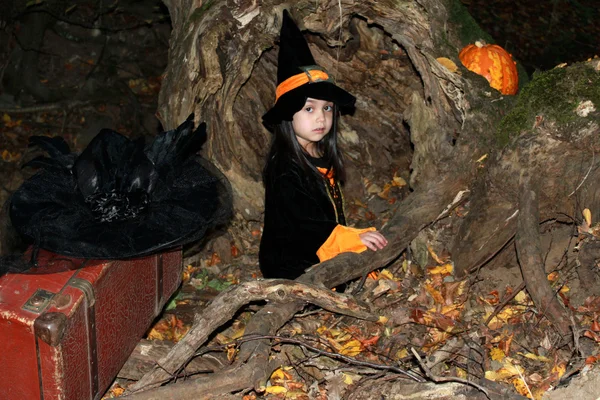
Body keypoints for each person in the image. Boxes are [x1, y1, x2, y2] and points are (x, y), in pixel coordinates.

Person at [259, 10, 387, 280]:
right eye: (308, 109)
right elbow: (307, 225)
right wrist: (354, 239)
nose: (321, 117)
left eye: (327, 108)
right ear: (287, 115)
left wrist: (351, 239)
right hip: (291, 263)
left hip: (321, 246)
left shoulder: (318, 154)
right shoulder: (284, 168)